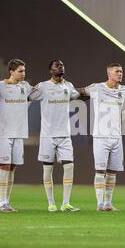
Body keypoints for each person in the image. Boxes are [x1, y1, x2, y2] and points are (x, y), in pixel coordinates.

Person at [78, 63, 125, 211]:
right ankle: (99, 203)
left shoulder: (124, 90)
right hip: (101, 136)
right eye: (117, 71)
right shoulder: (97, 88)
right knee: (100, 170)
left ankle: (107, 203)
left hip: (117, 137)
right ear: (109, 74)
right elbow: (79, 92)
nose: (120, 73)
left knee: (112, 171)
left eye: (122, 71)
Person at [29, 60, 80, 212]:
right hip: (47, 135)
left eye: (62, 65)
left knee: (69, 166)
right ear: (50, 70)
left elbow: (78, 94)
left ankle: (66, 203)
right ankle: (51, 202)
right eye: (57, 65)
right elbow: (29, 97)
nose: (60, 67)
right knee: (48, 170)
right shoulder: (43, 86)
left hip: (65, 134)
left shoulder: (68, 86)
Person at [0, 59, 33, 212]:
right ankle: (2, 203)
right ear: (11, 71)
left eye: (24, 71)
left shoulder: (26, 86)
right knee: (5, 166)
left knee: (13, 168)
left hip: (19, 132)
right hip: (3, 133)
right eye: (20, 71)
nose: (23, 74)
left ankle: (7, 202)